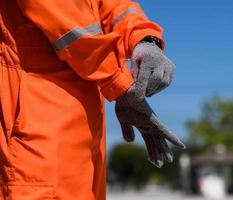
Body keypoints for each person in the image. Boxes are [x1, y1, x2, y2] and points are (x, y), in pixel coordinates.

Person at [0, 0, 185, 199]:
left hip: (83, 133)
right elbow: (67, 19)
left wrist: (145, 39)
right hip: (35, 122)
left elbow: (113, 5)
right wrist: (119, 83)